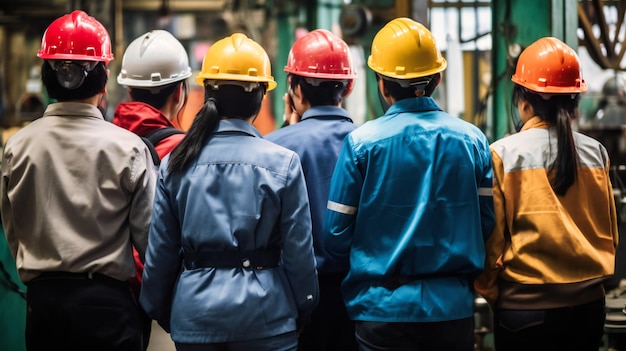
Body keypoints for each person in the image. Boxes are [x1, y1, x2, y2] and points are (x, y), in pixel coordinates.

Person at [323, 17, 494, 351]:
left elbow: (336, 236)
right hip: (452, 309)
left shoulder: (362, 144)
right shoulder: (473, 140)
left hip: (382, 309)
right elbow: (486, 221)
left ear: (382, 85)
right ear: (438, 79)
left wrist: (378, 255)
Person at [139, 33, 319, 350]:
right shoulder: (283, 164)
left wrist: (170, 312)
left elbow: (160, 257)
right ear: (262, 96)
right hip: (267, 319)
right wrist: (300, 308)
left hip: (195, 318)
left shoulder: (175, 163)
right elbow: (299, 255)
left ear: (207, 92)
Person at [0, 10, 156, 351]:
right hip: (108, 307)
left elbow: (14, 230)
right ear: (104, 78)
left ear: (47, 75)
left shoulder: (17, 147)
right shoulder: (128, 148)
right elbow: (149, 241)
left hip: (43, 306)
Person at [474, 36, 618, 351]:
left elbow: (491, 242)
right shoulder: (597, 154)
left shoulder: (503, 154)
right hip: (589, 308)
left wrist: (494, 294)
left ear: (523, 100)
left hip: (525, 311)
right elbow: (611, 236)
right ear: (575, 101)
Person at [265, 29, 358, 351]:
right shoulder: (369, 144)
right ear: (349, 86)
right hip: (358, 295)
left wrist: (289, 130)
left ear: (294, 89)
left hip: (292, 294)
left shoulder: (271, 148)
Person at [113, 29, 192, 349]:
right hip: (170, 292)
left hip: (114, 290)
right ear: (180, 92)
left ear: (129, 89)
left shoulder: (106, 141)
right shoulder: (187, 151)